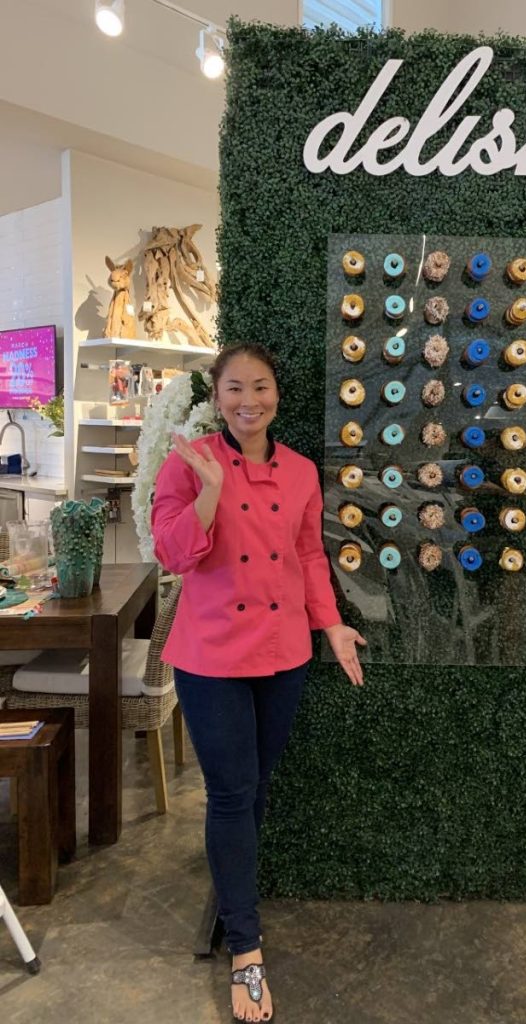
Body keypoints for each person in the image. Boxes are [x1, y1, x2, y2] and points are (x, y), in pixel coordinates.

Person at [151, 342, 366, 1023]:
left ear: (277, 394)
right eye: (236, 389)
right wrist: (211, 490)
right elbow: (175, 552)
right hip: (211, 655)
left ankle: (231, 886)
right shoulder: (188, 464)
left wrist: (329, 625)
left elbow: (308, 553)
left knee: (256, 786)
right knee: (232, 791)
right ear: (217, 397)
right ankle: (246, 949)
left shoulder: (301, 471)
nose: (250, 400)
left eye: (262, 387)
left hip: (282, 652)